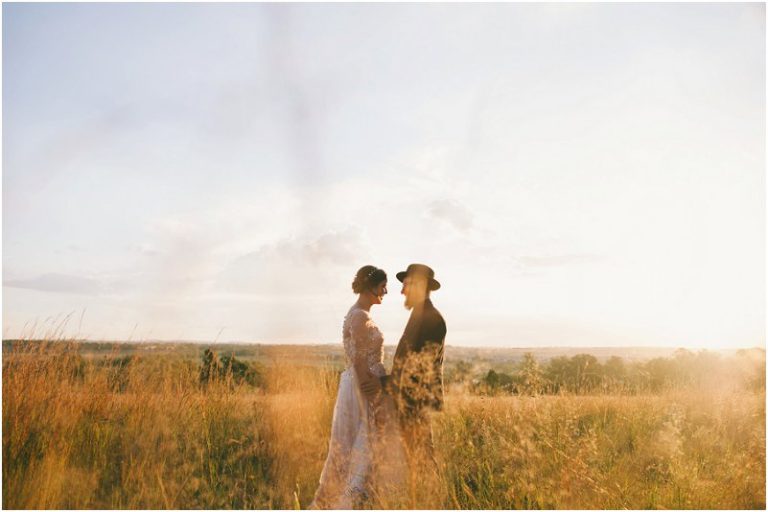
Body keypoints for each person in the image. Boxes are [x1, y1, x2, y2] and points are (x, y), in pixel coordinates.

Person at [310, 266, 407, 509]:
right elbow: (361, 364)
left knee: (363, 445)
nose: (385, 291)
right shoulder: (359, 317)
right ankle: (349, 500)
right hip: (363, 390)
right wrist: (376, 402)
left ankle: (361, 498)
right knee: (361, 443)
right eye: (383, 286)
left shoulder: (360, 314)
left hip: (364, 386)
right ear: (370, 286)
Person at [366, 263, 446, 467]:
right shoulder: (420, 315)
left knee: (422, 462)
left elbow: (416, 371)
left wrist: (381, 383)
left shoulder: (432, 320)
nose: (402, 291)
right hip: (407, 403)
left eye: (406, 285)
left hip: (416, 404)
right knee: (415, 462)